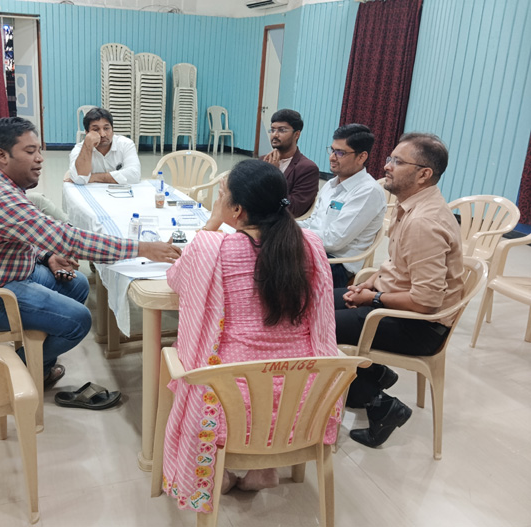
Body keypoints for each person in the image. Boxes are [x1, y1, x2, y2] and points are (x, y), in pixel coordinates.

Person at [0, 117, 181, 392]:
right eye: (30, 152)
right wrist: (143, 248)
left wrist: (46, 256)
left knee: (77, 284)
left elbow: (19, 234)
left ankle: (39, 359)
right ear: (2, 156)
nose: (40, 159)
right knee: (78, 320)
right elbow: (68, 240)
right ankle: (12, 377)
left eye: (39, 150)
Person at [161, 159, 340, 514]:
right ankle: (263, 470)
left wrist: (212, 224)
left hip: (231, 402)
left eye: (222, 195)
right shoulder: (310, 245)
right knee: (271, 370)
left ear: (237, 210)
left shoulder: (212, 248)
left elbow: (176, 280)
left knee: (192, 367)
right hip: (304, 399)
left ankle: (224, 473)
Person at [335, 132, 463, 448]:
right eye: (390, 158)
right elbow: (398, 266)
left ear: (423, 174)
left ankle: (381, 404)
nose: (387, 166)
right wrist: (369, 283)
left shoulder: (424, 222)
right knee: (315, 302)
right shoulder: (412, 206)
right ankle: (374, 373)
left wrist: (374, 298)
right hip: (397, 306)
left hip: (420, 326)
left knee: (313, 324)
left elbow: (426, 301)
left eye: (397, 161)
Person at [299, 124, 386, 287]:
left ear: (361, 157)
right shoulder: (330, 185)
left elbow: (334, 241)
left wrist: (291, 233)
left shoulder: (368, 191)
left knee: (275, 268)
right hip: (315, 251)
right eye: (332, 150)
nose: (332, 157)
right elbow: (312, 222)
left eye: (340, 153)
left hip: (336, 264)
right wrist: (283, 225)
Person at [261, 109, 319, 218]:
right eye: (272, 130)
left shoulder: (307, 168)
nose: (275, 135)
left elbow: (294, 209)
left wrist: (274, 175)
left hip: (279, 223)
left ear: (296, 134)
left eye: (282, 130)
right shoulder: (263, 160)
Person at [68, 107, 141, 185]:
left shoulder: (126, 144)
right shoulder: (79, 149)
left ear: (112, 130)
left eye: (106, 128)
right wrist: (87, 145)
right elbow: (79, 179)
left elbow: (135, 175)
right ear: (87, 132)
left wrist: (93, 177)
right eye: (96, 130)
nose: (102, 134)